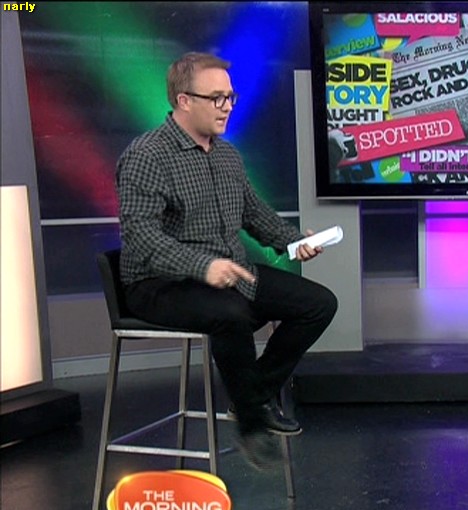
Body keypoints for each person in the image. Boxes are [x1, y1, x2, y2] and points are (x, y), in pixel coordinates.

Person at [115, 52, 339, 470]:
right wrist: (202, 267)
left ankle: (251, 396)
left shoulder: (226, 155)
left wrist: (294, 241)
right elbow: (142, 238)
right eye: (216, 98)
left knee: (318, 304)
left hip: (229, 273)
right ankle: (253, 424)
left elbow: (254, 214)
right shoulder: (147, 155)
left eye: (230, 97)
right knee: (231, 314)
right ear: (184, 101)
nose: (227, 107)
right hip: (159, 283)